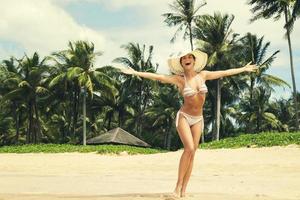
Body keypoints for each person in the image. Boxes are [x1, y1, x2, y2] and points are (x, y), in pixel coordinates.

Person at [118, 49, 258, 198]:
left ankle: (184, 190)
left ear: (194, 61)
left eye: (190, 56)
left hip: (198, 118)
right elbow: (158, 77)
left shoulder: (203, 75)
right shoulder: (179, 79)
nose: (187, 59)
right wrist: (135, 73)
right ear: (181, 63)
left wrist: (243, 69)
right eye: (184, 58)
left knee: (192, 153)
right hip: (184, 116)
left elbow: (224, 72)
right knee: (189, 148)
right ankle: (177, 188)